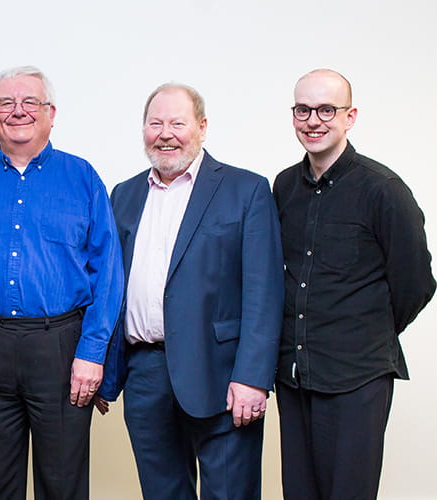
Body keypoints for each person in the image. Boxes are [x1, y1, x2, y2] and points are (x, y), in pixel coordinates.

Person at [0, 66, 123, 500]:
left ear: (51, 113)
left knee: (62, 484)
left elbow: (109, 274)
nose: (18, 111)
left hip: (62, 348)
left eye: (31, 102)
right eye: (6, 103)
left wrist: (92, 353)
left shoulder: (83, 179)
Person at [96, 83, 284, 500]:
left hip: (222, 375)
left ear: (201, 127)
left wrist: (253, 377)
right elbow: (110, 288)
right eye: (155, 123)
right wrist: (104, 368)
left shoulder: (245, 190)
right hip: (145, 373)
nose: (166, 133)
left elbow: (264, 292)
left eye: (177, 123)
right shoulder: (124, 195)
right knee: (162, 492)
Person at [273, 69, 435, 500]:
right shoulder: (284, 186)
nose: (313, 120)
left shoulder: (383, 189)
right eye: (303, 110)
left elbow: (416, 281)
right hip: (294, 376)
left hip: (356, 378)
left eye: (327, 109)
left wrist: (363, 332)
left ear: (350, 116)